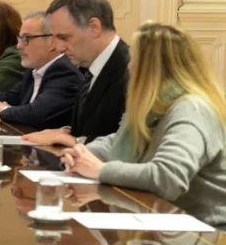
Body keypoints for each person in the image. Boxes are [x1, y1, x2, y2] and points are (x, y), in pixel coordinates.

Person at [61, 23, 226, 226]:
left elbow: (168, 179)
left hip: (206, 238)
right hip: (166, 224)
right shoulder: (159, 105)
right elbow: (120, 139)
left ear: (151, 68)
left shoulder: (192, 109)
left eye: (133, 59)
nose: (128, 67)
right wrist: (82, 154)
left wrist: (100, 170)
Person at [22, 0, 129, 147]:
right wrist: (65, 131)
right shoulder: (89, 64)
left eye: (64, 37)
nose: (58, 48)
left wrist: (74, 141)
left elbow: (129, 143)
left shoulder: (130, 70)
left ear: (94, 28)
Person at [0, 11, 83, 130]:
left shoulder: (64, 72)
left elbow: (36, 113)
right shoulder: (34, 70)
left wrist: (3, 110)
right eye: (19, 39)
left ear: (51, 42)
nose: (19, 45)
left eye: (26, 38)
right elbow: (12, 95)